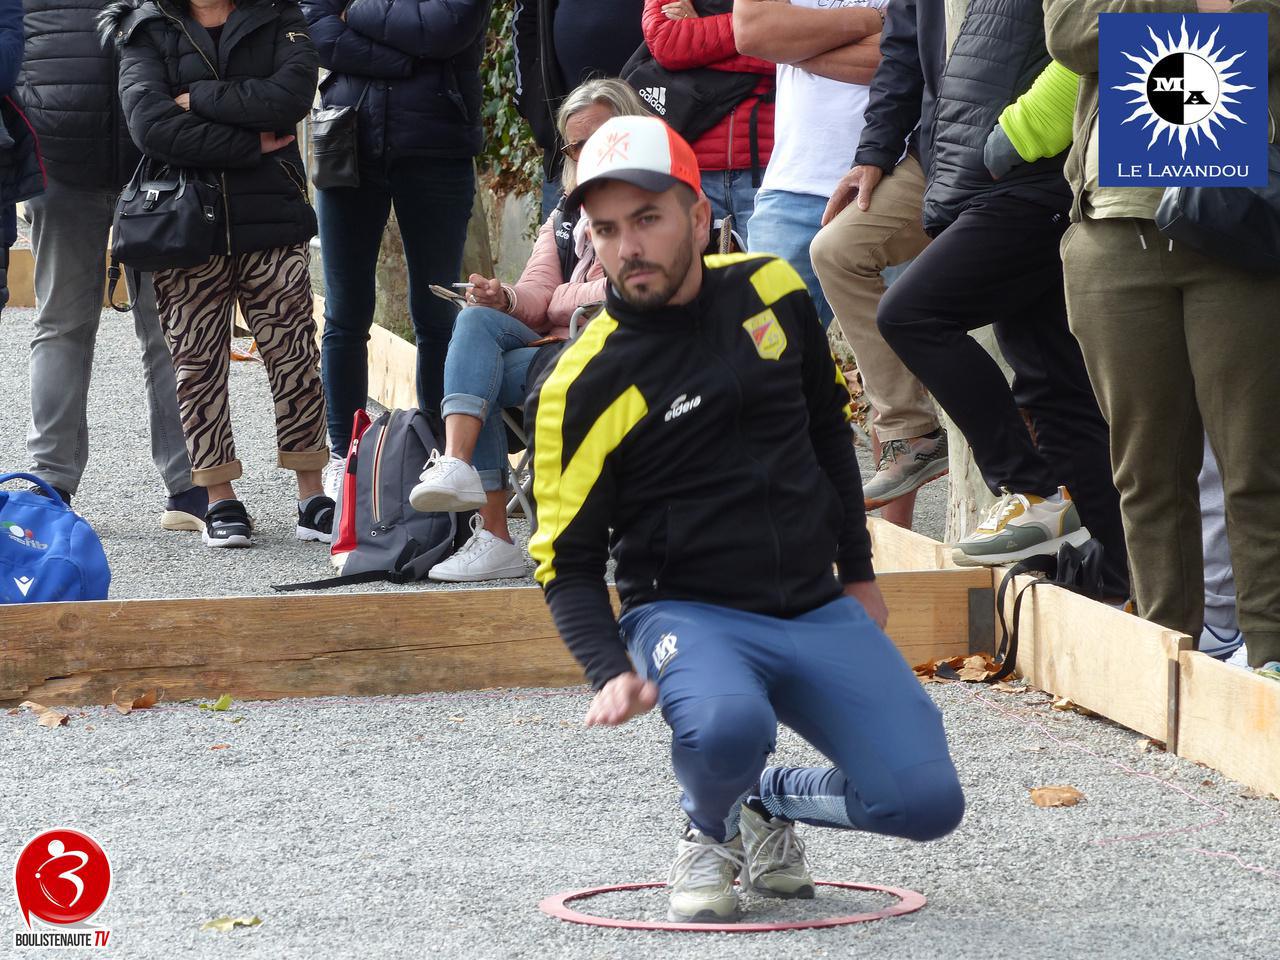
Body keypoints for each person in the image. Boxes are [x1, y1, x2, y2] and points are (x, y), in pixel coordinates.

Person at [527, 115, 963, 923]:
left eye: (648, 219)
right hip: (688, 613)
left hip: (813, 604)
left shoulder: (772, 289)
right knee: (729, 724)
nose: (628, 247)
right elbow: (566, 558)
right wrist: (607, 669)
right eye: (608, 228)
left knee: (926, 803)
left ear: (698, 216)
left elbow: (827, 431)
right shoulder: (581, 385)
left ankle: (768, 802)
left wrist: (857, 571)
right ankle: (709, 826)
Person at [1045, 0, 1280, 681]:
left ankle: (1269, 654)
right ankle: (1163, 658)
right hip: (1114, 230)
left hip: (1240, 222)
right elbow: (1069, 35)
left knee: (1257, 461)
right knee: (1146, 470)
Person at [866, 0, 1127, 596]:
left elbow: (1093, 38)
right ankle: (1104, 579)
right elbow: (931, 66)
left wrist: (1018, 133)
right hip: (989, 177)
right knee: (1055, 386)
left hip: (1032, 175)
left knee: (910, 313)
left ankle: (1030, 490)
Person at [109, 0, 332, 548]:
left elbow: (290, 99)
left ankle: (311, 492)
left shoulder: (280, 14)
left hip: (273, 215)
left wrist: (200, 100)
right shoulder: (144, 27)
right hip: (187, 226)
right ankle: (218, 497)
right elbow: (152, 126)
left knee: (295, 352)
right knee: (197, 363)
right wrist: (250, 142)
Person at [408, 80, 649, 583]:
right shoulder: (566, 213)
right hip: (557, 353)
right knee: (475, 321)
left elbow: (624, 289)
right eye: (573, 145)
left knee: (484, 370)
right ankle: (469, 487)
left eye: (594, 139)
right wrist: (506, 298)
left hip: (623, 356)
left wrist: (553, 304)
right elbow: (540, 288)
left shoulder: (651, 200)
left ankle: (487, 516)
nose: (582, 153)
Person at [16, 0, 203, 527]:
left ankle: (52, 480)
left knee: (62, 326)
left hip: (74, 151)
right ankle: (188, 486)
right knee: (165, 328)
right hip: (145, 157)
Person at [301, 0, 489, 492]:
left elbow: (446, 30)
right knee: (345, 313)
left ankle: (438, 455)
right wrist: (406, 57)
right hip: (349, 138)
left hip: (437, 144)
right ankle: (345, 454)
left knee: (435, 312)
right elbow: (316, 29)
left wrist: (355, 11)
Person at [808, 0, 945, 525]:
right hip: (937, 151)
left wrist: (1008, 145)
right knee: (838, 250)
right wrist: (873, 154)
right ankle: (911, 433)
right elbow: (902, 54)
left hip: (1016, 157)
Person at [733, 0, 884, 327]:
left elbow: (903, 58)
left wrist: (792, 47)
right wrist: (870, 20)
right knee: (766, 356)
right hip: (791, 188)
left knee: (897, 366)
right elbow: (751, 31)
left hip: (890, 187)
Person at [639, 0, 775, 240]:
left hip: (767, 169)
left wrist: (700, 32)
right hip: (693, 169)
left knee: (766, 276)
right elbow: (666, 41)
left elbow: (794, 47)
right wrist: (754, 30)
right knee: (698, 275)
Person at [514, 0, 647, 218]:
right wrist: (528, 97)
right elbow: (526, 18)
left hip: (647, 132)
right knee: (562, 245)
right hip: (568, 147)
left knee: (644, 244)